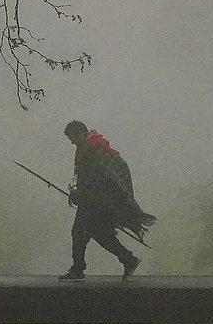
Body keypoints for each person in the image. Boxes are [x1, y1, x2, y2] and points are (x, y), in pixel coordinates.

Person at [59, 120, 156, 281]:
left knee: (81, 232)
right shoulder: (85, 149)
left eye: (72, 137)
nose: (71, 141)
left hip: (99, 202)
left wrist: (81, 193)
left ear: (81, 133)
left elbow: (104, 179)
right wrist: (75, 191)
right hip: (92, 201)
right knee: (96, 233)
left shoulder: (95, 151)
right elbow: (83, 177)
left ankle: (79, 269)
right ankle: (127, 259)